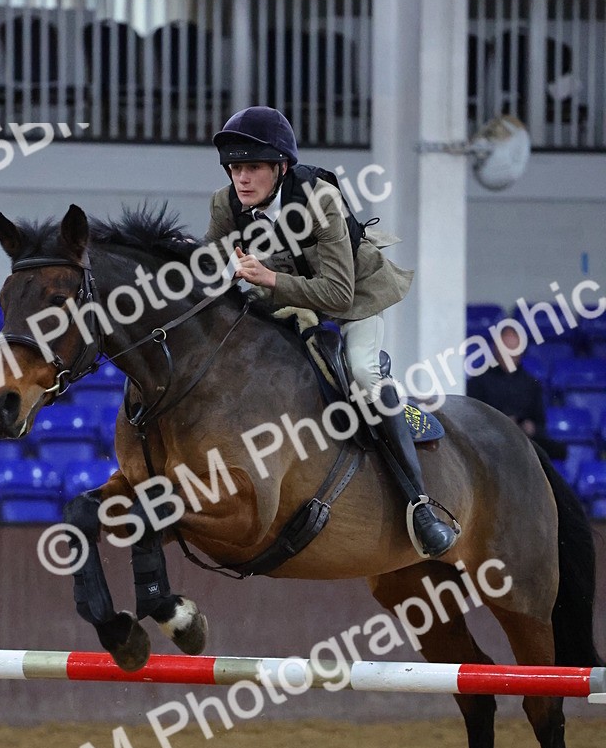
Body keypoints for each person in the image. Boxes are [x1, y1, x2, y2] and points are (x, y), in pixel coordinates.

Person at [204, 105, 458, 558]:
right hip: (288, 299)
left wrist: (267, 279)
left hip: (352, 297)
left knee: (362, 373)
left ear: (281, 168)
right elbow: (209, 268)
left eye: (254, 168)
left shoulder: (319, 199)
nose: (242, 179)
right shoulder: (225, 204)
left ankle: (420, 503)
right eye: (236, 168)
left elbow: (338, 295)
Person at [466, 324, 565, 459]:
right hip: (491, 444)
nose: (510, 356)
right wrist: (502, 424)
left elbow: (541, 424)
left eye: (513, 351)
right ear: (496, 349)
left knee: (557, 451)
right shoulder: (478, 382)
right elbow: (472, 422)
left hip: (525, 442)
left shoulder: (531, 384)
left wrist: (530, 428)